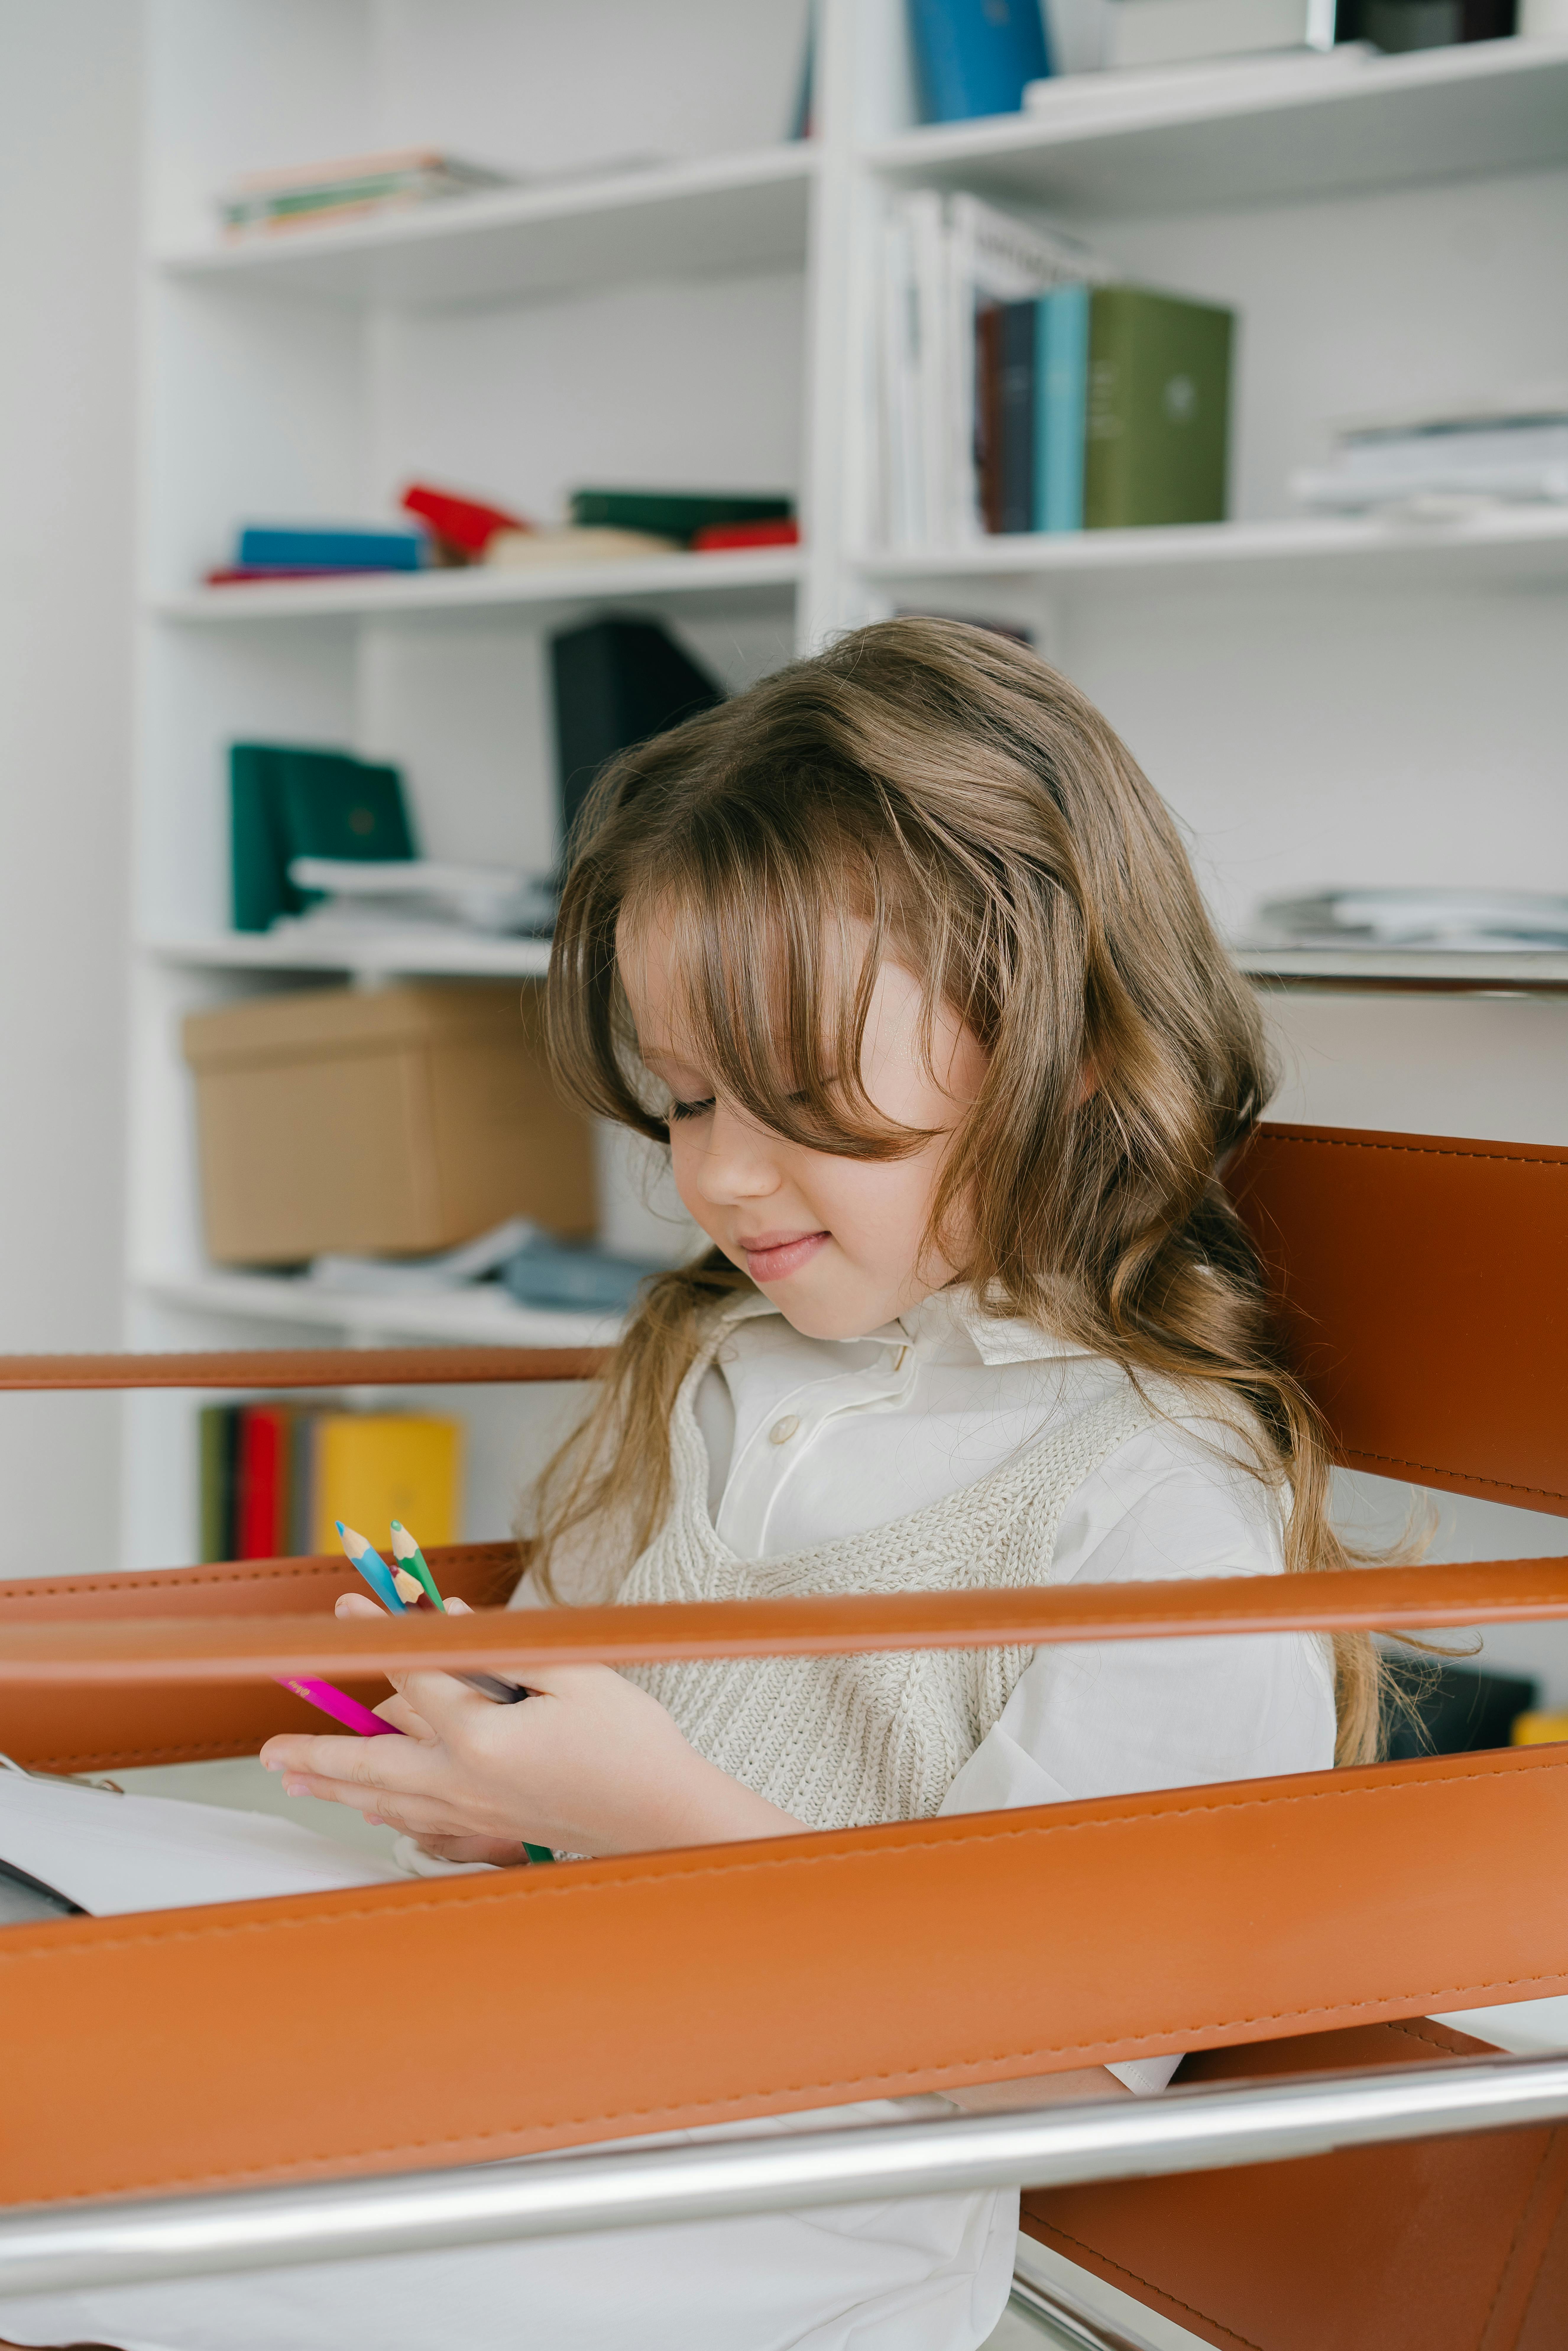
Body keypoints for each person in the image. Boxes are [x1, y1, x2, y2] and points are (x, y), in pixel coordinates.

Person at [0, 618, 1378, 2351]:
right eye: (680, 1099)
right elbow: (571, 1803)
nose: (717, 1174)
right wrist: (494, 1794)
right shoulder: (726, 1366)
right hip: (508, 2036)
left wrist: (661, 1823)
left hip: (760, 2211)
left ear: (1067, 1043)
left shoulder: (1156, 1506)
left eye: (796, 1096)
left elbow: (1080, 2069)